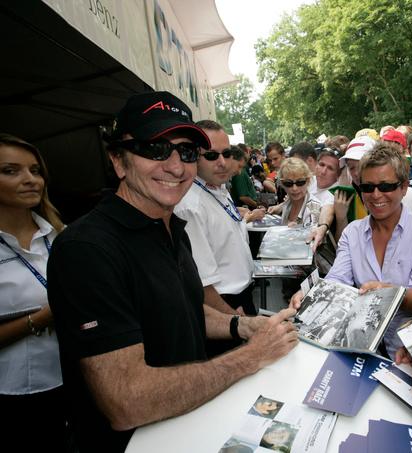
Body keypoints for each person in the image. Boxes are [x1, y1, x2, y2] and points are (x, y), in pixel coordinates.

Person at [47, 91, 298, 453]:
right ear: (118, 161)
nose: (176, 167)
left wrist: (242, 326)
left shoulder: (171, 225)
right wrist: (250, 355)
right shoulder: (86, 250)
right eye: (155, 149)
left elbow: (184, 308)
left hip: (187, 426)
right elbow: (126, 401)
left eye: (187, 152)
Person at [291, 142, 412, 358]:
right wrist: (311, 294)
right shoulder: (352, 233)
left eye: (385, 186)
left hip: (410, 351)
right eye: (367, 187)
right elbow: (337, 279)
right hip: (360, 350)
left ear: (404, 187)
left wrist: (390, 294)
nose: (376, 195)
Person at [0, 134, 68, 451]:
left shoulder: (61, 235)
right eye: (10, 171)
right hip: (16, 393)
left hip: (76, 378)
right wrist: (42, 318)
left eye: (35, 170)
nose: (30, 180)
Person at [175, 120, 261, 321]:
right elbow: (203, 284)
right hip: (225, 305)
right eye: (212, 155)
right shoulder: (190, 206)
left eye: (226, 153)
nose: (222, 162)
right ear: (193, 156)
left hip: (242, 295)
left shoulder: (217, 187)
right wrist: (234, 319)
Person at [270, 157, 322, 228]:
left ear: (308, 181)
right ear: (282, 184)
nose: (294, 188)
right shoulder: (288, 202)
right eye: (288, 183)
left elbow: (314, 234)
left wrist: (297, 230)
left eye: (300, 182)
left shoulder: (314, 208)